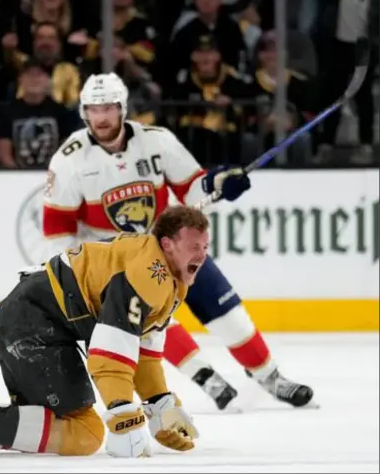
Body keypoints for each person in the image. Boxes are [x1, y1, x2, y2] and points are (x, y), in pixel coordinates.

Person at [42, 72, 314, 411]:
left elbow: (193, 187)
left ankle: (270, 376)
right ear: (84, 112)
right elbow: (57, 230)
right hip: (119, 263)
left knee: (227, 310)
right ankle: (207, 378)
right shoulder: (69, 161)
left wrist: (219, 181)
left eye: (109, 107)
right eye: (94, 109)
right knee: (157, 322)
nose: (102, 117)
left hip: (172, 243)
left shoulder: (157, 141)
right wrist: (77, 278)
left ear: (122, 108)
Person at [0, 206, 205, 458]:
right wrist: (122, 414)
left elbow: (144, 352)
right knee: (86, 433)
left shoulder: (167, 282)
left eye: (205, 246)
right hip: (33, 323)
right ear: (168, 244)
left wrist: (160, 404)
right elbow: (110, 349)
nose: (203, 255)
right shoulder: (151, 273)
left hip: (32, 319)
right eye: (194, 246)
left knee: (58, 424)